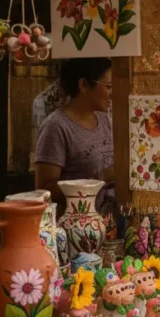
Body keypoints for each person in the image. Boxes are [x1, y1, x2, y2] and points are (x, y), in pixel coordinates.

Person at [34, 58, 114, 212]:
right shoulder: (56, 126)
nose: (112, 94)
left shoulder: (104, 119)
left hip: (106, 219)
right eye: (108, 86)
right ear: (84, 85)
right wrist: (100, 177)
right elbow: (45, 191)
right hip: (75, 221)